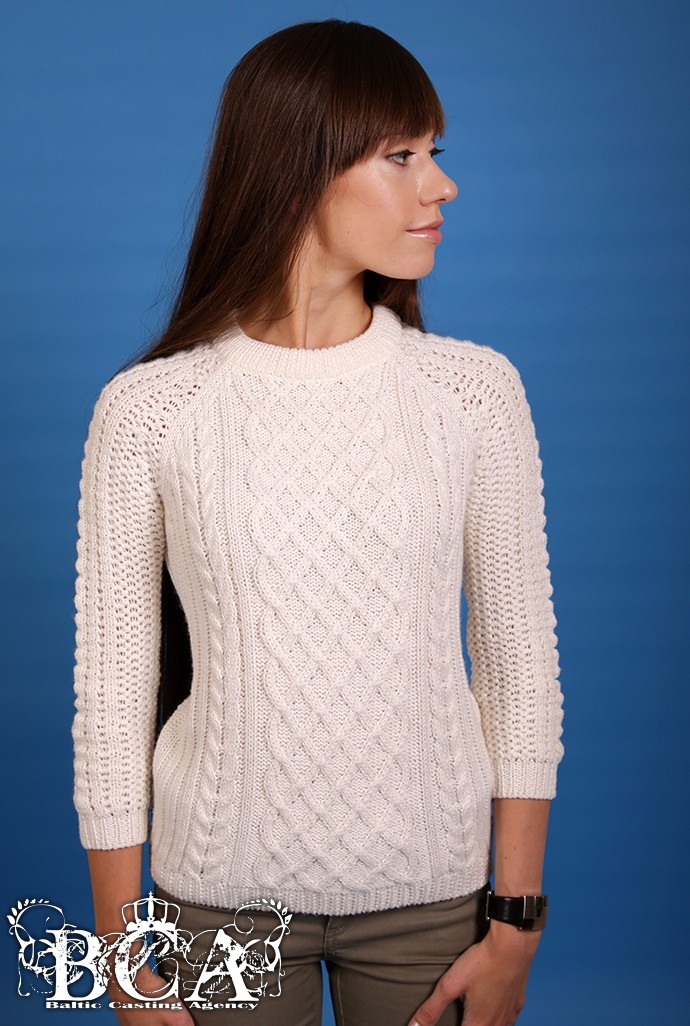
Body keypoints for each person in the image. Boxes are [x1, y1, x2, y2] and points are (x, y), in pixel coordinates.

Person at [72, 19, 564, 1026]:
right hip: (215, 906)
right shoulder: (150, 412)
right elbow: (113, 694)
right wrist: (121, 950)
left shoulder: (473, 395)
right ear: (298, 168)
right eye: (401, 156)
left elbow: (520, 667)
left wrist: (516, 922)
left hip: (434, 897)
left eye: (435, 152)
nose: (442, 186)